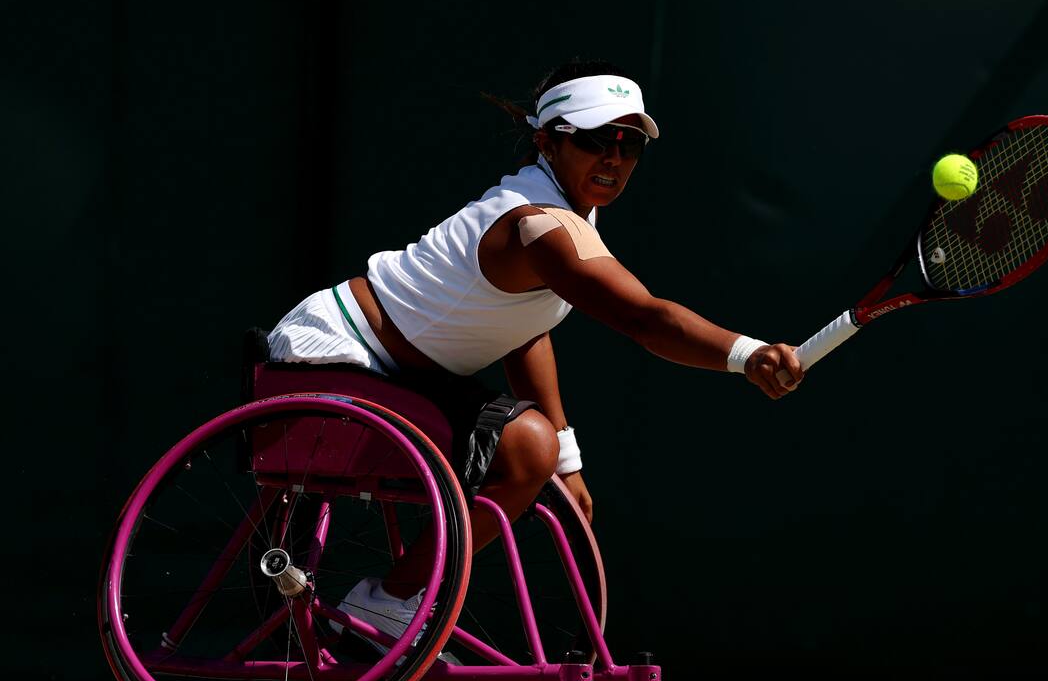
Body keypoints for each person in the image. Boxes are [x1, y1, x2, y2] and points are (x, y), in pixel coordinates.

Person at [268, 58, 804, 633]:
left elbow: (526, 333)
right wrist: (748, 353)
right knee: (526, 446)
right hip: (333, 358)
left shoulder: (573, 215)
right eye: (599, 140)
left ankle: (392, 600)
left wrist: (567, 463)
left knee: (532, 450)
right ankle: (388, 600)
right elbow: (647, 319)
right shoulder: (541, 224)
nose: (615, 159)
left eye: (630, 146)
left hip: (387, 370)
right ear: (549, 141)